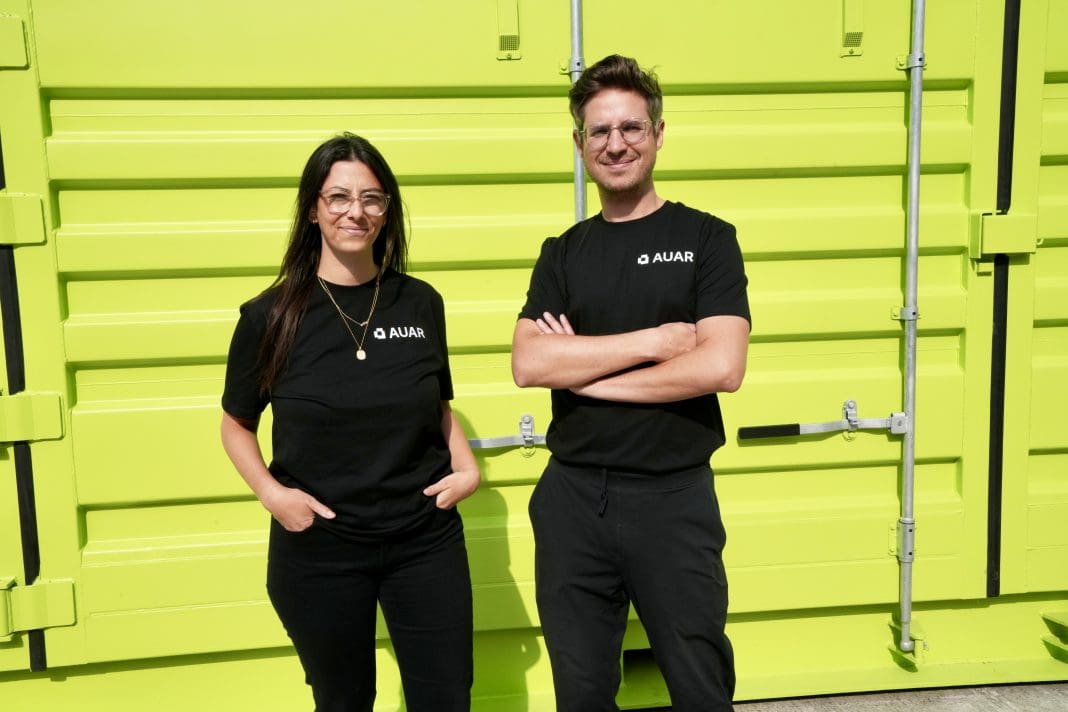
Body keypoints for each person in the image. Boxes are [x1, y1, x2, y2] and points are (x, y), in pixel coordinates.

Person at [511, 55, 751, 711]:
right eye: (599, 131)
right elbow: (530, 364)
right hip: (573, 500)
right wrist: (652, 343)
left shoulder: (707, 239)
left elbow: (720, 368)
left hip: (672, 498)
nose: (615, 144)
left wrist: (586, 375)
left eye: (631, 127)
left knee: (700, 685)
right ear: (579, 143)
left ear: (658, 133)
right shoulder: (563, 253)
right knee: (582, 693)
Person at [220, 133, 479, 712]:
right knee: (344, 701)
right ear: (313, 209)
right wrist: (273, 495)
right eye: (338, 197)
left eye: (371, 198)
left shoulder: (420, 303)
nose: (355, 212)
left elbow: (437, 405)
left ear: (387, 211)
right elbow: (236, 424)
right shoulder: (271, 316)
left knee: (446, 698)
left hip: (424, 541)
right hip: (321, 549)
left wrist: (466, 470)